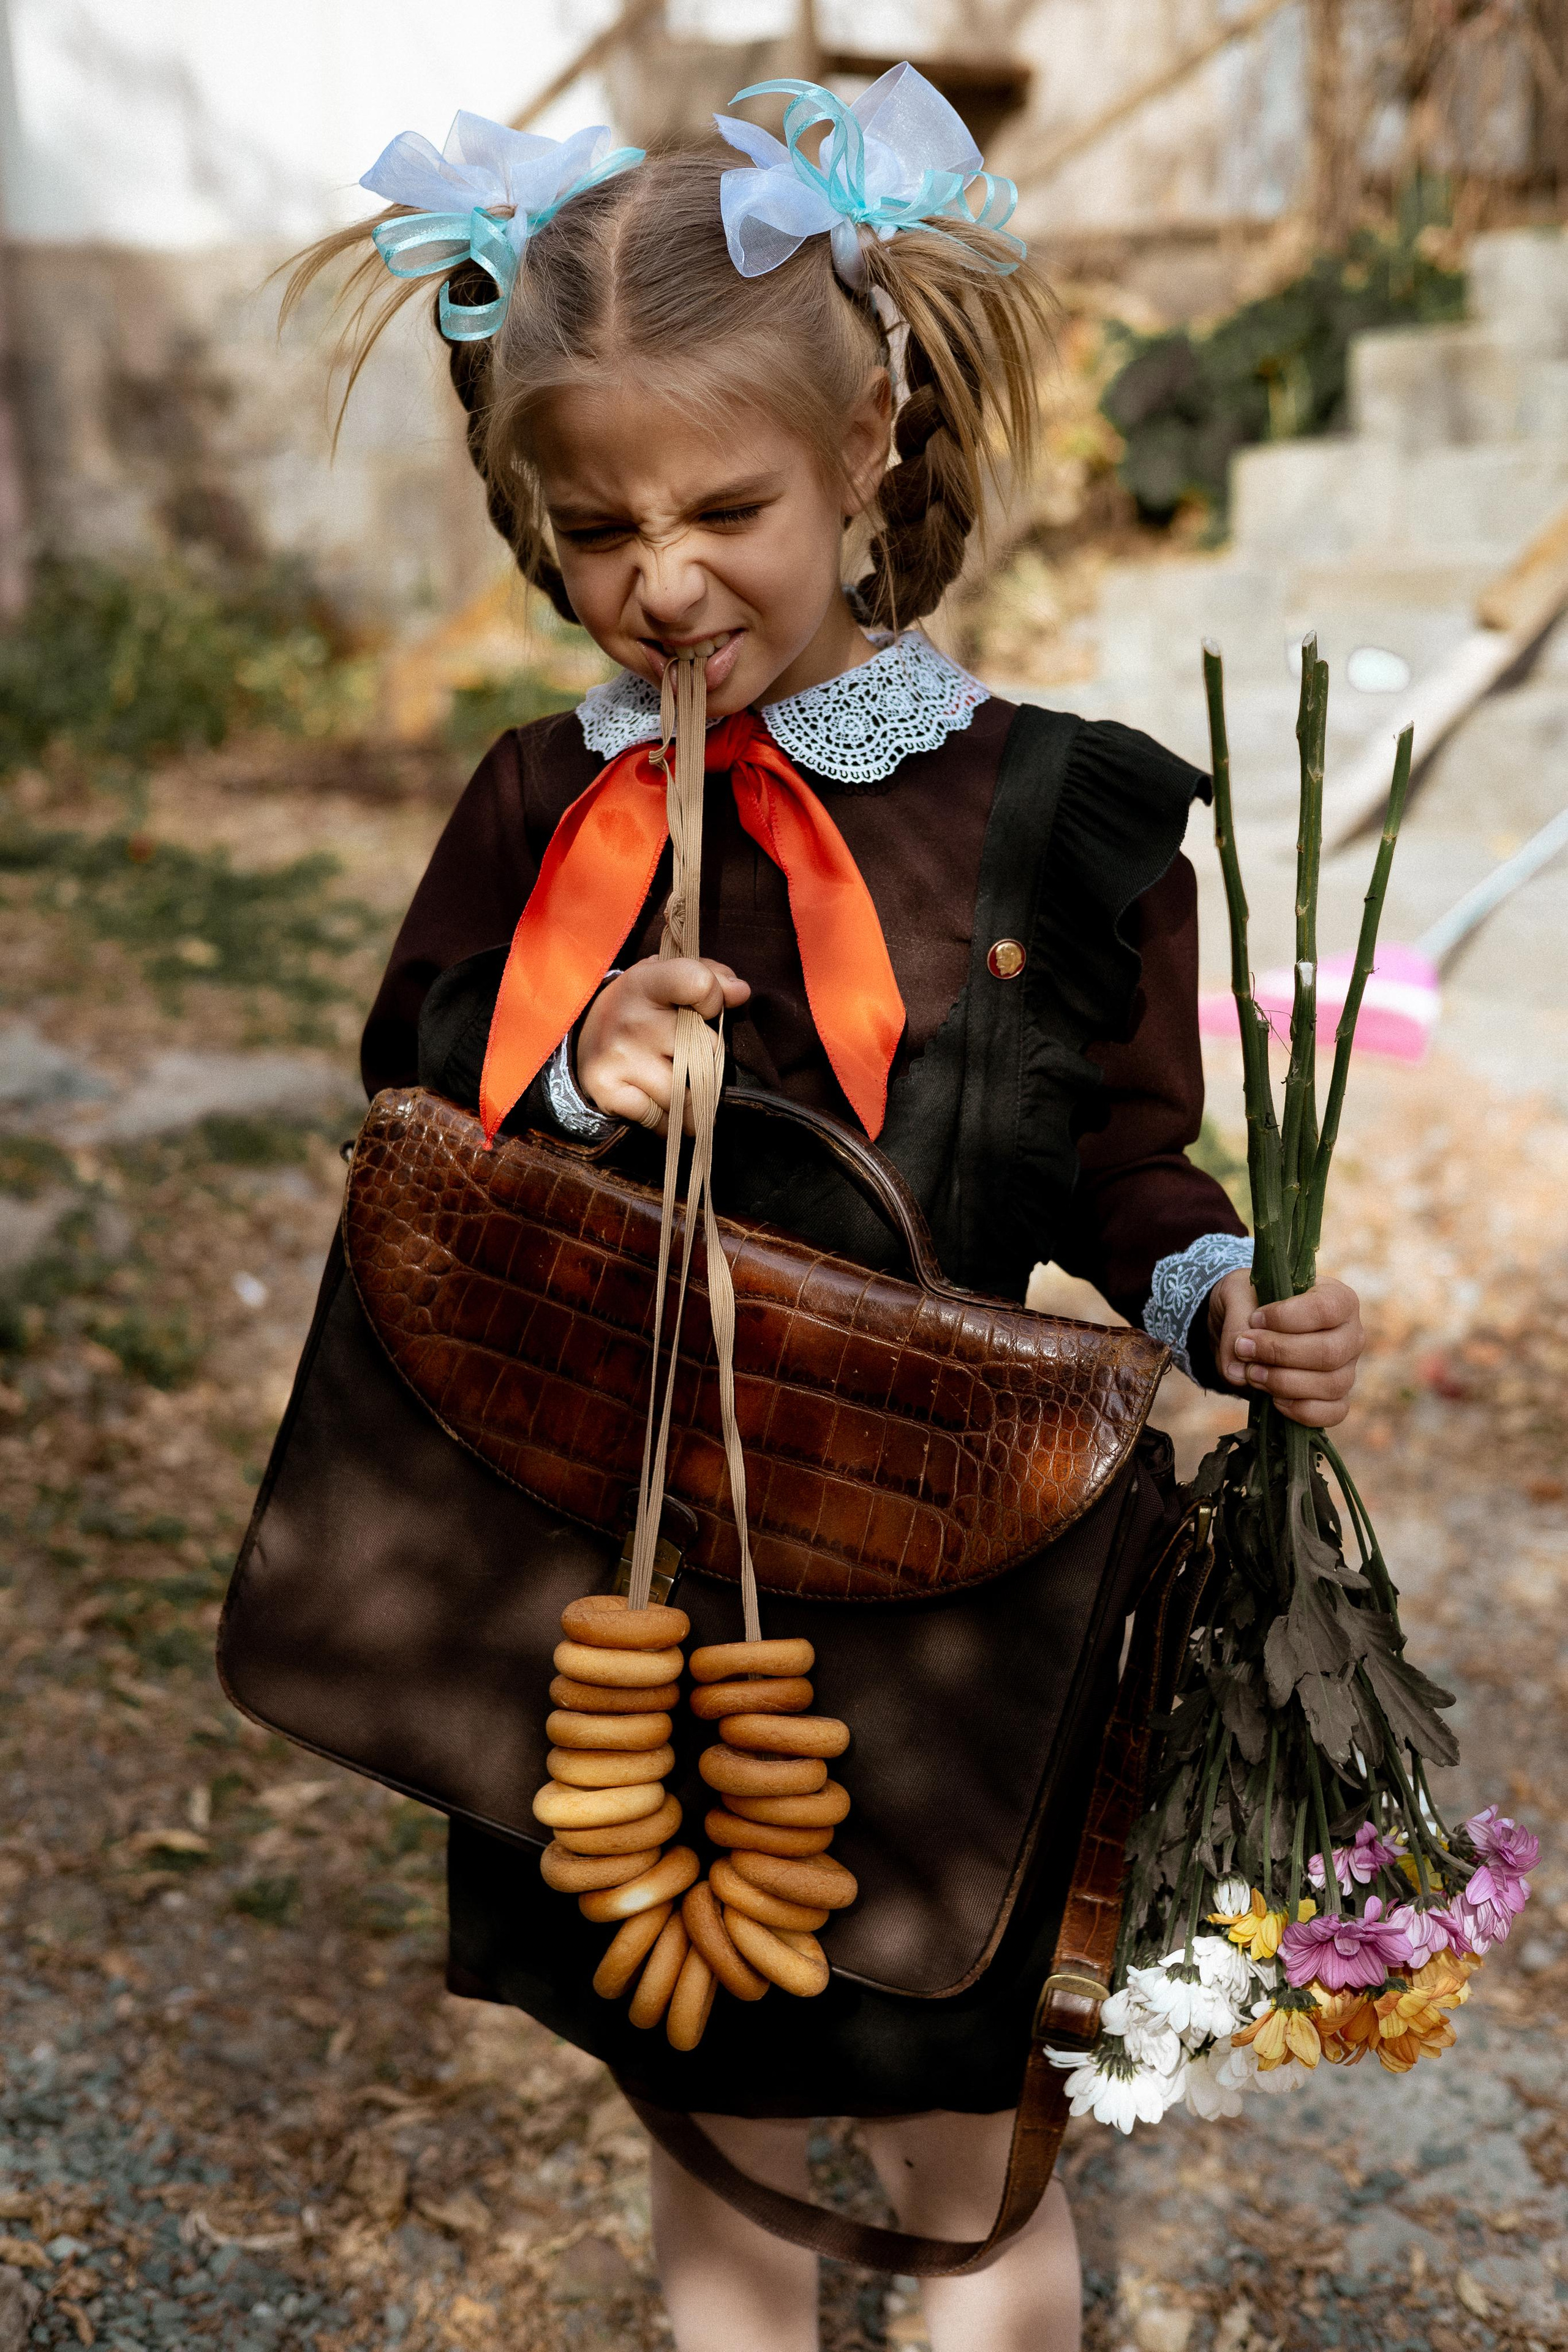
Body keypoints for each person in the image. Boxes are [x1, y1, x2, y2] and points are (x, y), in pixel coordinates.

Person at [288, 72, 1366, 2351]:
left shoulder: (1048, 816)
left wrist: (1214, 1299)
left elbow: (1125, 1162)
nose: (661, 580)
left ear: (869, 442)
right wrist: (574, 1069)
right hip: (626, 1587)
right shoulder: (534, 804)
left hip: (957, 1574)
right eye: (595, 531)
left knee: (969, 2157)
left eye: (725, 506)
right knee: (721, 2154)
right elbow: (413, 1128)